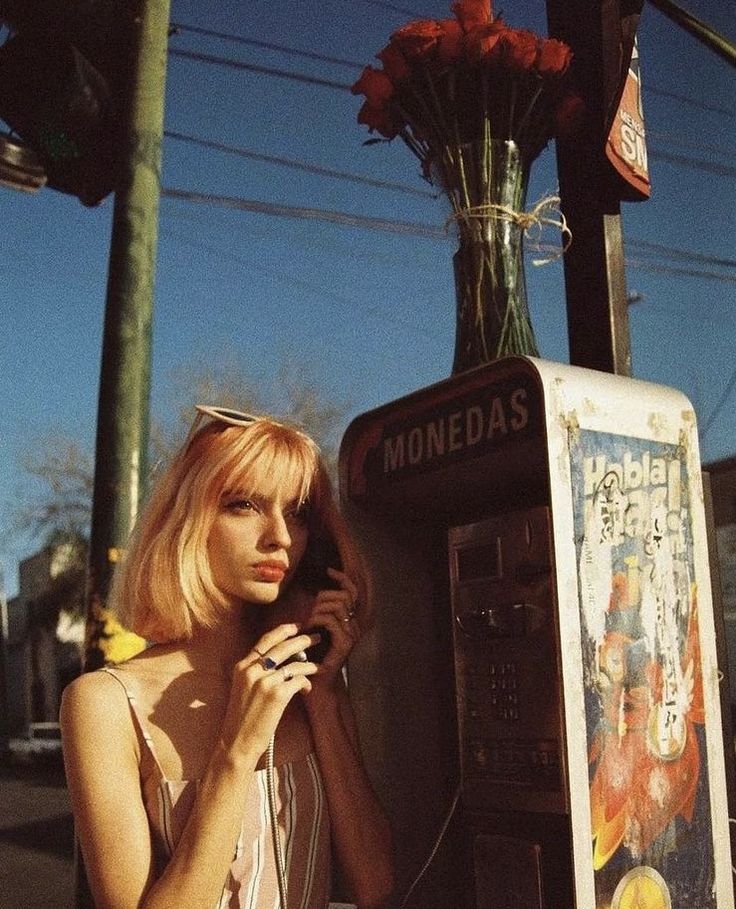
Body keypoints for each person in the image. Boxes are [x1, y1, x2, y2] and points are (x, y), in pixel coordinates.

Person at [60, 405, 394, 909]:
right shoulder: (103, 704)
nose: (280, 537)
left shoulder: (307, 683)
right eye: (244, 505)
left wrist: (323, 696)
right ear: (188, 520)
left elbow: (375, 884)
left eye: (298, 513)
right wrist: (236, 752)